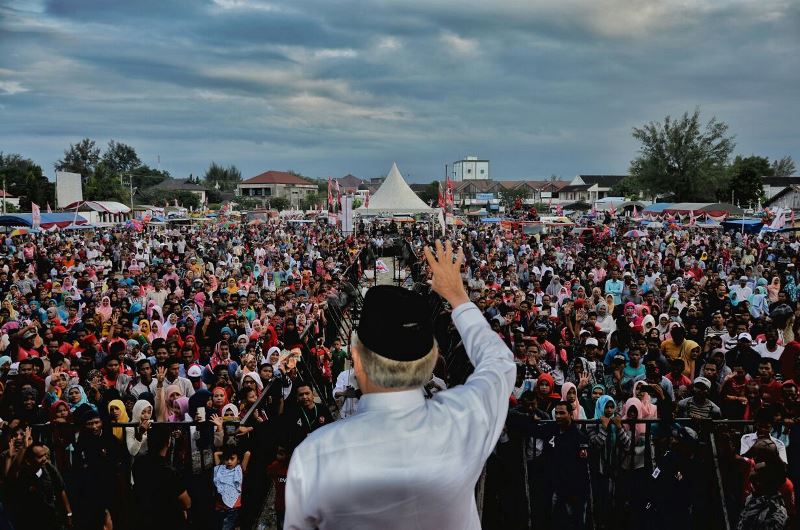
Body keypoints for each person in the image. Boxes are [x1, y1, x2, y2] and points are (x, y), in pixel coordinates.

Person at [284, 241, 516, 529]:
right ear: (432, 360)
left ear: (356, 361)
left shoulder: (314, 456)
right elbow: (500, 363)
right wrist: (458, 297)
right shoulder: (464, 420)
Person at [132, 425, 192, 530]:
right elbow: (186, 503)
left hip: (143, 517)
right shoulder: (169, 472)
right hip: (166, 521)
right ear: (168, 443)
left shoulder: (138, 463)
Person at [212, 446, 246, 530]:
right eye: (226, 459)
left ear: (238, 460)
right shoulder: (220, 469)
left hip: (233, 508)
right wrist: (225, 454)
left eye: (232, 459)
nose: (229, 461)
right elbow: (216, 454)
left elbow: (247, 453)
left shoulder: (239, 470)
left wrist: (234, 453)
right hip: (220, 507)